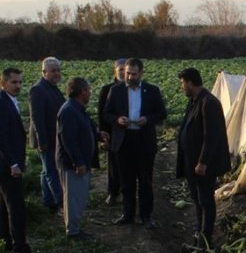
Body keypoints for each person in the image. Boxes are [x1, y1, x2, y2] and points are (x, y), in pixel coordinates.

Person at [103, 57, 167, 228]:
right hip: (124, 140)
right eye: (128, 73)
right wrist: (118, 120)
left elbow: (161, 113)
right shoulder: (116, 91)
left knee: (145, 180)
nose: (130, 77)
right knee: (126, 180)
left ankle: (146, 216)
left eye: (134, 74)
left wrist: (147, 119)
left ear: (141, 73)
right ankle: (128, 214)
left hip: (143, 140)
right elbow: (107, 113)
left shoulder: (152, 91)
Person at [176, 66, 230, 247]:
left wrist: (203, 162)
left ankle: (206, 237)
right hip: (192, 161)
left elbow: (211, 136)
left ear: (190, 83)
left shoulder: (209, 103)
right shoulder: (194, 102)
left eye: (183, 83)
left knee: (205, 199)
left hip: (203, 165)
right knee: (197, 199)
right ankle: (199, 230)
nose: (182, 87)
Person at [0, 66, 36, 253]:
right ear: (3, 83)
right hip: (4, 164)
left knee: (5, 203)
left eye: (20, 82)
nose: (18, 86)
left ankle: (5, 241)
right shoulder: (0, 104)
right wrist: (13, 163)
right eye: (14, 82)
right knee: (16, 206)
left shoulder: (7, 101)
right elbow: (1, 138)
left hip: (3, 163)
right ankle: (20, 248)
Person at [56, 76, 98, 240]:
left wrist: (98, 135)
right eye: (89, 90)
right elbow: (69, 140)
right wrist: (78, 162)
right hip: (72, 165)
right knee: (73, 198)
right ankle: (72, 231)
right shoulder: (69, 111)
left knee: (77, 197)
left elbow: (84, 129)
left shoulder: (77, 108)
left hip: (79, 162)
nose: (90, 93)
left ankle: (74, 227)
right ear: (82, 92)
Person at [29, 56, 65, 214]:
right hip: (46, 138)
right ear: (44, 72)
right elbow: (36, 117)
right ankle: (61, 203)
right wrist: (42, 140)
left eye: (58, 70)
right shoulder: (38, 89)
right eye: (53, 71)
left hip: (53, 136)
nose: (56, 73)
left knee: (46, 171)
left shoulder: (52, 88)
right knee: (51, 171)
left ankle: (48, 202)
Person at [96, 58, 126, 205]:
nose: (123, 72)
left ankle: (126, 192)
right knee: (113, 165)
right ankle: (113, 192)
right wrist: (103, 136)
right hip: (113, 133)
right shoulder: (107, 90)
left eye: (125, 69)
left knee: (128, 165)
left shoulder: (134, 88)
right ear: (115, 71)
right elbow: (101, 114)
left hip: (130, 133)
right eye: (120, 69)